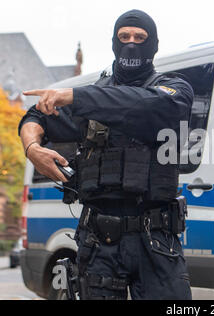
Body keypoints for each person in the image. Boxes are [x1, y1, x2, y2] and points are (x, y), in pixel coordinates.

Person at [18, 9, 194, 300]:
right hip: (99, 242)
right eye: (124, 36)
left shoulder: (174, 89)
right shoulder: (92, 96)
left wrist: (77, 97)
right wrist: (33, 148)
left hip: (156, 242)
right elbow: (35, 116)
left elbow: (147, 107)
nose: (131, 43)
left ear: (154, 44)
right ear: (114, 41)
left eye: (140, 37)